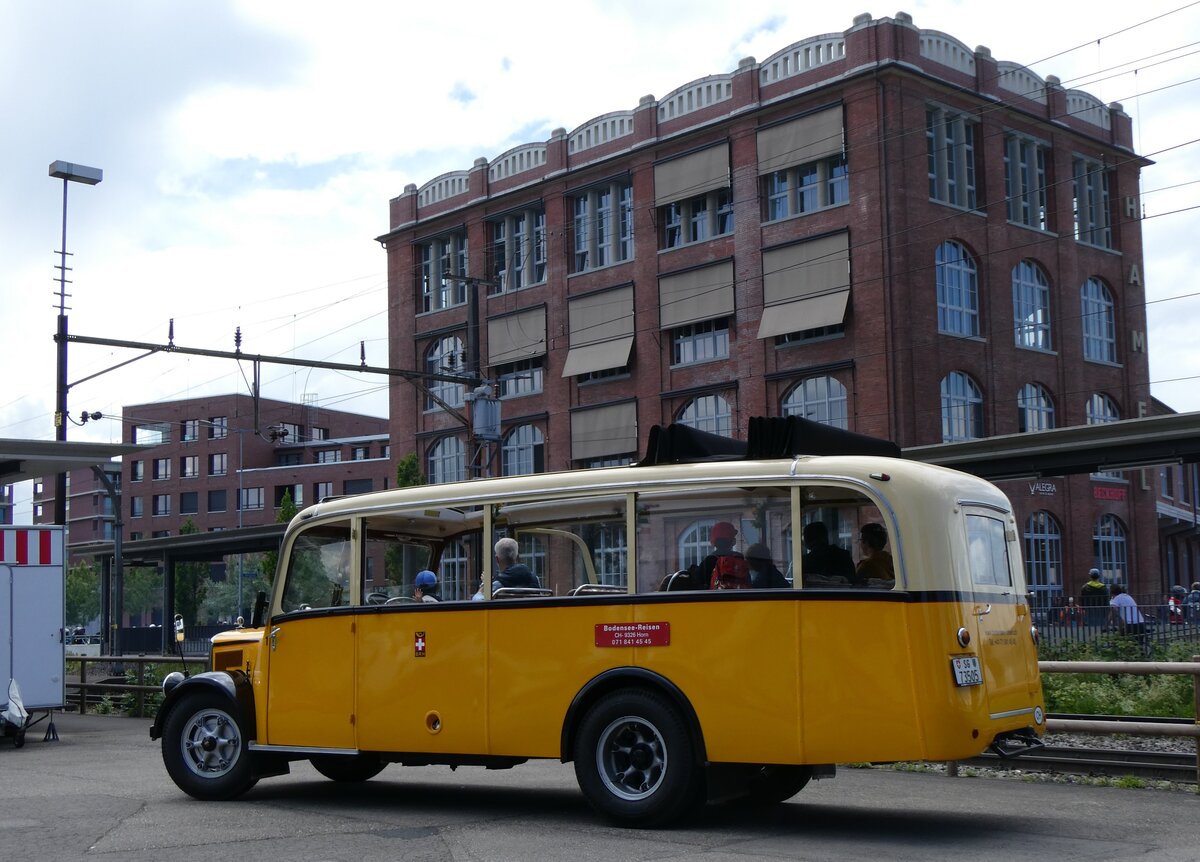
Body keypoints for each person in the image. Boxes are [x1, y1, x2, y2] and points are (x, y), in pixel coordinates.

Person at [692, 521, 750, 589]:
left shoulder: (708, 561)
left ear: (713, 542)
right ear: (732, 541)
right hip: (741, 598)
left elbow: (697, 585)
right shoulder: (739, 558)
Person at [1108, 583, 1147, 647]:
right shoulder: (1127, 596)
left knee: (1117, 642)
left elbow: (1112, 612)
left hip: (1131, 625)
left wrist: (1106, 624)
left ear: (1111, 593)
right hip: (1141, 624)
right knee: (1138, 646)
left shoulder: (1116, 599)